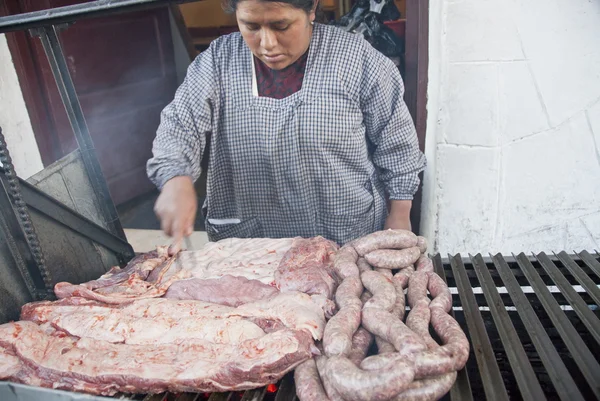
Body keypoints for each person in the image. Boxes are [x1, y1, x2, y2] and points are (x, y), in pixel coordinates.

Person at [146, 0, 426, 254]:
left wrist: (400, 214)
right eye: (251, 26)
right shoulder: (219, 61)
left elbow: (396, 142)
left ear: (311, 9)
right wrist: (175, 179)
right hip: (249, 245)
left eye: (281, 26)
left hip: (344, 237)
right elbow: (180, 124)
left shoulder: (356, 59)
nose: (267, 43)